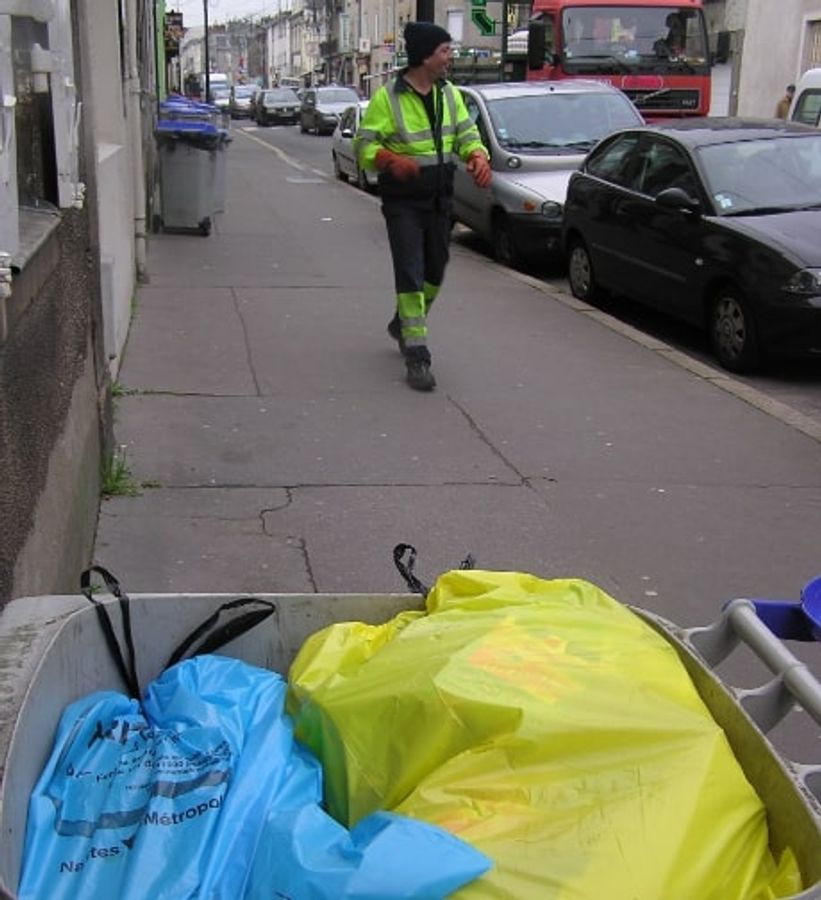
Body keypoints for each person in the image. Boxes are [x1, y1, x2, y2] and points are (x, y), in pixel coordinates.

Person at [354, 21, 492, 391]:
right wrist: (388, 160)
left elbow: (467, 134)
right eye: (445, 51)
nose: (451, 58)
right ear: (425, 56)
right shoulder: (388, 98)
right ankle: (417, 356)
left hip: (440, 199)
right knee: (411, 272)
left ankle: (402, 322)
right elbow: (363, 146)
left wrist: (477, 156)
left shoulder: (450, 94)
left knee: (435, 270)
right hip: (403, 201)